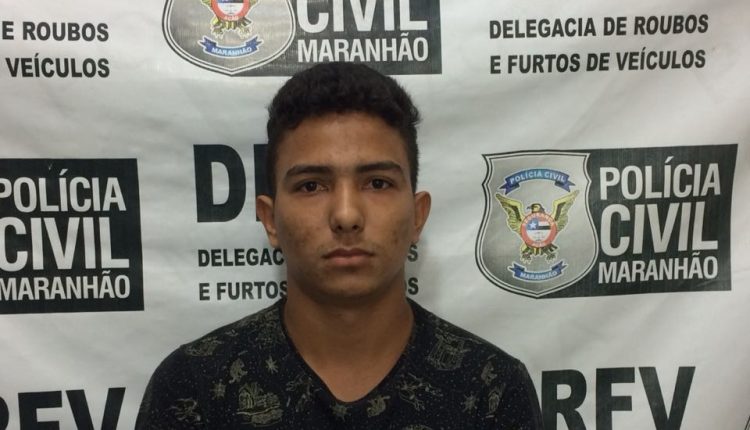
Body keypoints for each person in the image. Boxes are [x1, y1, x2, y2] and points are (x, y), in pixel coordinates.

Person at [135, 62, 543, 429]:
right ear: (270, 220)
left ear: (417, 215)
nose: (346, 215)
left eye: (377, 183)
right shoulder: (195, 387)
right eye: (311, 185)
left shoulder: (490, 388)